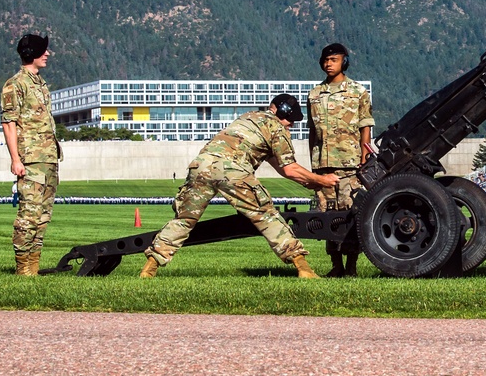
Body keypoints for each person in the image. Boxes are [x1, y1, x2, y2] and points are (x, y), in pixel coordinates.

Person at [140, 94, 338, 279]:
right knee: (266, 215)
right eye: (291, 120)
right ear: (283, 113)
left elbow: (279, 166)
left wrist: (310, 182)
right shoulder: (276, 127)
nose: (291, 126)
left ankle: (150, 268)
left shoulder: (248, 118)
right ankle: (303, 267)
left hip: (200, 166)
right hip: (232, 169)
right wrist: (323, 180)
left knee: (184, 220)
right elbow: (289, 169)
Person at [306, 43, 374, 277]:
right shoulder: (314, 94)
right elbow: (312, 131)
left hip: (350, 164)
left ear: (344, 61)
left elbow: (366, 125)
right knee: (327, 216)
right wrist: (313, 164)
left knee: (351, 215)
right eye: (325, 60)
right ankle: (336, 266)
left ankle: (352, 267)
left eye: (333, 59)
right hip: (323, 166)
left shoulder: (358, 92)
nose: (328, 64)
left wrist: (365, 155)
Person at [0, 33, 61, 277]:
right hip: (31, 159)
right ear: (30, 54)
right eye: (42, 50)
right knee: (29, 214)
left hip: (48, 158)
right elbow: (9, 123)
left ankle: (33, 265)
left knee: (43, 215)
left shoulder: (40, 84)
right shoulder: (15, 84)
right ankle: (23, 267)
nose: (47, 54)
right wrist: (15, 159)